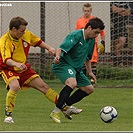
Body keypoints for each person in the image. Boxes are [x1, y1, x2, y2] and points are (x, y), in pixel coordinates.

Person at [0, 16, 81, 123]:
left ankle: (64, 108)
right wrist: (17, 64)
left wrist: (49, 48)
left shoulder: (26, 34)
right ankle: (8, 116)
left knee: (44, 86)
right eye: (21, 31)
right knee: (14, 86)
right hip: (8, 68)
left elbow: (38, 42)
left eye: (24, 31)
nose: (24, 33)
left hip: (23, 67)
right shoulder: (4, 41)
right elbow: (7, 60)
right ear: (13, 29)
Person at [50, 17, 105, 123]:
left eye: (98, 33)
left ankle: (65, 107)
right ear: (89, 28)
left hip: (76, 69)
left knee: (89, 88)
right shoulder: (75, 35)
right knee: (72, 82)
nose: (96, 35)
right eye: (96, 32)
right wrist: (57, 57)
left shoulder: (91, 40)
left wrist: (90, 72)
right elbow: (61, 48)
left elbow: (88, 58)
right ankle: (55, 111)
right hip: (63, 64)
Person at [75, 3, 105, 86]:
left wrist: (103, 42)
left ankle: (92, 80)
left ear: (90, 11)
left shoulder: (95, 21)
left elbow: (102, 32)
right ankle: (83, 80)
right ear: (83, 11)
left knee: (93, 61)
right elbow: (77, 33)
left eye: (88, 11)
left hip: (93, 44)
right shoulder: (79, 21)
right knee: (83, 61)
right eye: (85, 11)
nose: (86, 12)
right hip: (82, 44)